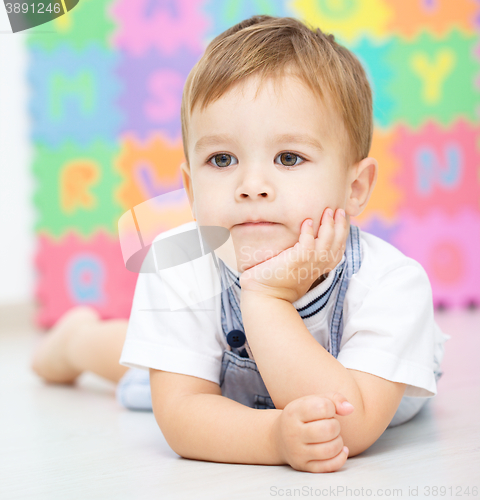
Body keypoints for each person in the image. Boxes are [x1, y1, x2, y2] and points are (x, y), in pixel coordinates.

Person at [31, 15, 450, 473]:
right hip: (224, 391)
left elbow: (348, 426)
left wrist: (265, 299)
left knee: (165, 367)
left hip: (299, 392)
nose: (251, 185)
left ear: (355, 187)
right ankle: (76, 341)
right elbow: (183, 411)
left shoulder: (390, 283)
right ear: (191, 191)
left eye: (289, 158)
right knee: (142, 370)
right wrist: (272, 438)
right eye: (222, 159)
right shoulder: (181, 264)